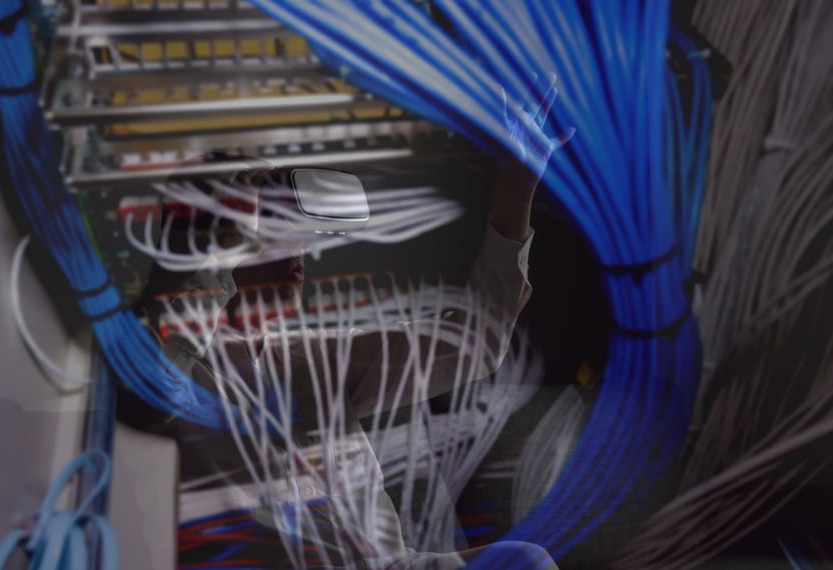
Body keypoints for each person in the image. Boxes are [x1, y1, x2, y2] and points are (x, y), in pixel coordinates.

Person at [123, 77, 572, 569]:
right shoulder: (165, 367)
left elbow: (476, 343)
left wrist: (516, 187)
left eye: (296, 229)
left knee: (526, 561)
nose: (297, 248)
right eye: (268, 227)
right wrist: (210, 251)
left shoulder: (317, 358)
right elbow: (150, 390)